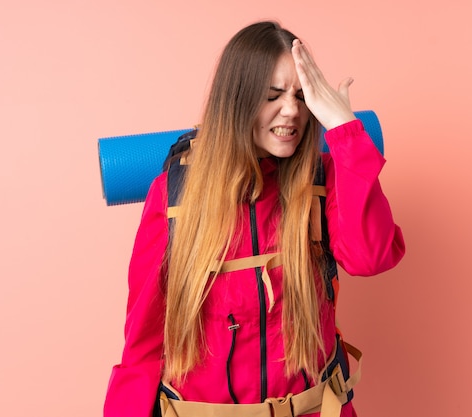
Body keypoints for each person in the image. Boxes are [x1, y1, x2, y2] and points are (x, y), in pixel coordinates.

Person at [104, 21, 405, 417]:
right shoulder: (174, 195)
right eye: (273, 96)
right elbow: (142, 342)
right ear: (239, 100)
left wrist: (345, 130)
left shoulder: (325, 178)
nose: (293, 111)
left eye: (302, 95)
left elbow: (373, 256)